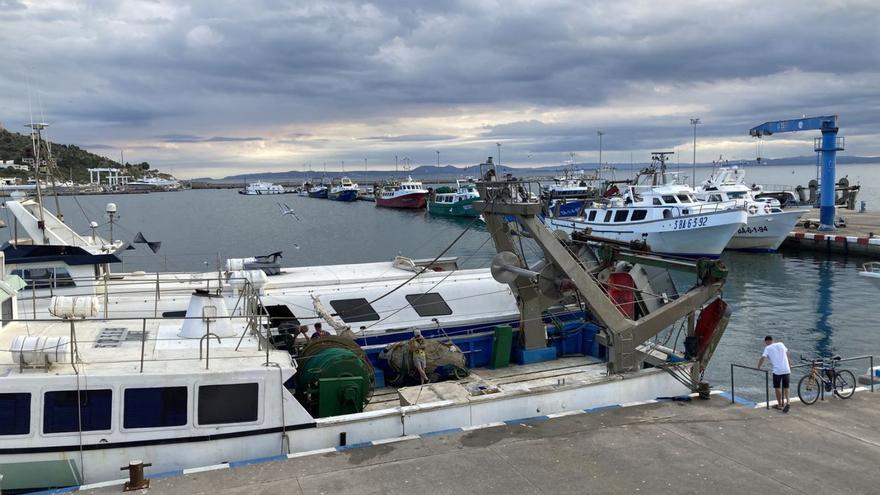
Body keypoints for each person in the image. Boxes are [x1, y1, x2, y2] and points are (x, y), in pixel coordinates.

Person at [757, 335, 791, 412]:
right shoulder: (781, 344)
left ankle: (779, 405)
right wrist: (789, 364)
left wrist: (758, 367)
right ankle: (788, 403)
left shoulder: (767, 348)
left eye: (766, 342)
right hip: (786, 369)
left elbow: (763, 358)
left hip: (777, 371)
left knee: (777, 387)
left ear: (767, 341)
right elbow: (787, 354)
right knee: (786, 387)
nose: (766, 344)